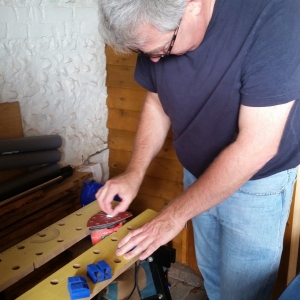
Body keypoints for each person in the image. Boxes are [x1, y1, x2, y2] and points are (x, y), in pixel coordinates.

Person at [96, 0, 300, 299]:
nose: (155, 61)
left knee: (242, 293)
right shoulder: (157, 24)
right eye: (145, 53)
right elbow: (157, 102)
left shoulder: (277, 15)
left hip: (256, 187)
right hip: (194, 174)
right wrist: (134, 173)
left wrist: (173, 216)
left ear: (193, 5)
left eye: (163, 49)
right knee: (213, 281)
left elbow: (257, 145)